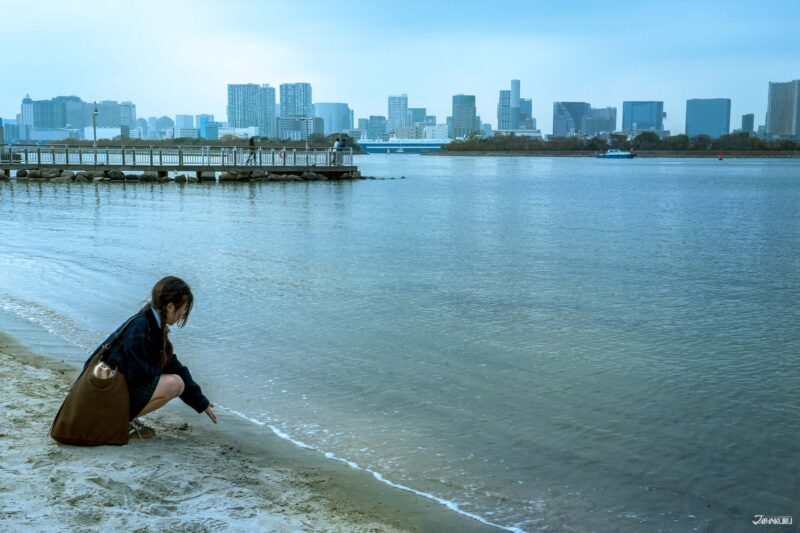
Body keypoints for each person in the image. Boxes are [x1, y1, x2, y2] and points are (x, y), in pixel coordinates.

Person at [84, 276, 216, 439]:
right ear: (170, 306)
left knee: (175, 378)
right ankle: (115, 423)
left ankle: (118, 420)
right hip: (104, 398)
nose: (183, 314)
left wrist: (200, 401)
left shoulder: (151, 323)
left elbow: (172, 364)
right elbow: (138, 376)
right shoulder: (142, 327)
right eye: (183, 308)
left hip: (106, 394)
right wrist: (160, 369)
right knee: (174, 383)